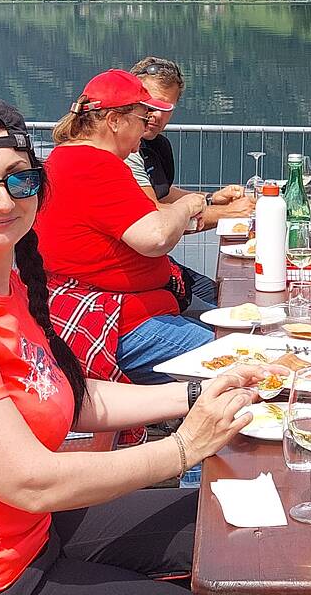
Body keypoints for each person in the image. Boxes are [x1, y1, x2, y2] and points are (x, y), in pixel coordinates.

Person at [0, 97, 282, 595]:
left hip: (35, 534)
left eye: (20, 181)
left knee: (249, 540)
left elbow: (72, 396)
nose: (2, 201)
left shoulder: (5, 283)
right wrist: (183, 448)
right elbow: (32, 482)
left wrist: (201, 393)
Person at [36, 69, 216, 382]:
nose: (146, 128)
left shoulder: (70, 158)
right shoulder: (95, 165)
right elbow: (156, 236)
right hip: (114, 324)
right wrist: (187, 205)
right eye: (142, 117)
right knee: (241, 363)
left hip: (113, 311)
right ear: (115, 121)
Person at [125, 56, 253, 310]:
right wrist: (229, 213)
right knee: (228, 304)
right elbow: (155, 217)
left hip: (155, 265)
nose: (156, 114)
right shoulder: (126, 151)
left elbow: (161, 192)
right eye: (150, 102)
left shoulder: (155, 145)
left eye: (166, 107)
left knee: (225, 293)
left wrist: (210, 198)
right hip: (133, 276)